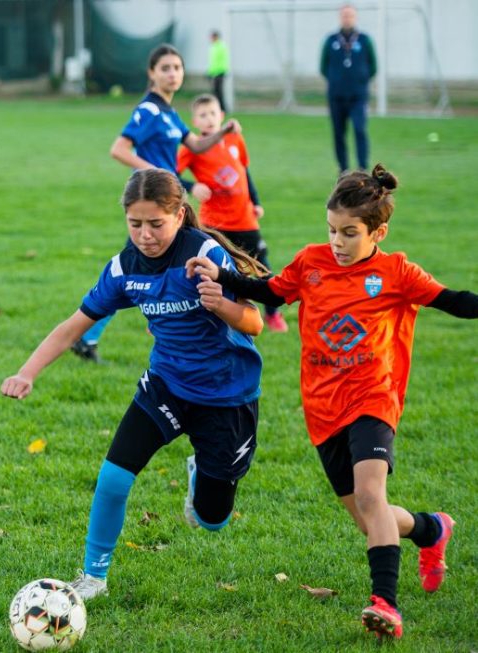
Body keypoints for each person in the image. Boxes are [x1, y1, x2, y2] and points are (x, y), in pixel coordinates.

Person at [186, 164, 476, 640]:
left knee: (371, 496)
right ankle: (430, 529)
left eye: (349, 233)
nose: (337, 242)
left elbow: (454, 300)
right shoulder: (311, 263)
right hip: (322, 409)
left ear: (378, 233)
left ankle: (385, 604)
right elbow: (269, 290)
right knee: (369, 519)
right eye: (332, 230)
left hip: (373, 399)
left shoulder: (396, 272)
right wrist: (220, 273)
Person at [2, 168, 266, 601]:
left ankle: (200, 474)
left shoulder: (204, 254)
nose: (145, 235)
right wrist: (26, 372)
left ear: (179, 215)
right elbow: (73, 325)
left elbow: (254, 322)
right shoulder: (124, 267)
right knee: (113, 478)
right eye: (135, 223)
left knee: (212, 518)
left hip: (226, 395)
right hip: (166, 386)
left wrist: (223, 306)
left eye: (156, 224)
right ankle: (93, 577)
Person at [73, 43, 243, 362]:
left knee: (141, 269)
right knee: (129, 272)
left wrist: (222, 132)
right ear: (151, 73)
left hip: (167, 206)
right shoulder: (149, 111)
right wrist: (155, 173)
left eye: (177, 68)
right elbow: (119, 149)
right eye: (165, 68)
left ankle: (98, 334)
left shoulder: (170, 113)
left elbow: (195, 144)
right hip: (151, 207)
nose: (172, 74)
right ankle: (87, 335)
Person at [177, 93, 287, 332]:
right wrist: (192, 186)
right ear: (194, 121)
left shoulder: (235, 138)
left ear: (222, 115)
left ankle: (272, 314)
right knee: (207, 268)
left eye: (212, 113)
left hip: (244, 218)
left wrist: (255, 201)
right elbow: (170, 174)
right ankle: (182, 312)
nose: (208, 119)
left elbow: (244, 172)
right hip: (214, 221)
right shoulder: (192, 148)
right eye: (202, 115)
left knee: (262, 266)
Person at [320, 3, 377, 173]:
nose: (347, 19)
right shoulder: (331, 40)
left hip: (358, 96)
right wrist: (336, 80)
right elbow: (323, 67)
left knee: (359, 129)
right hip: (336, 96)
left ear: (355, 17)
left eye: (350, 15)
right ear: (340, 17)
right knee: (338, 133)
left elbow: (373, 67)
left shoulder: (364, 40)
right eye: (344, 15)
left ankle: (362, 167)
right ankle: (343, 168)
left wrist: (360, 79)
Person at [207, 30, 230, 110]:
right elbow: (213, 62)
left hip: (220, 72)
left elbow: (220, 62)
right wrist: (210, 73)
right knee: (215, 92)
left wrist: (218, 71)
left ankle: (223, 108)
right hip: (214, 72)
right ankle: (218, 108)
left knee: (219, 92)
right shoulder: (213, 47)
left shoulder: (221, 47)